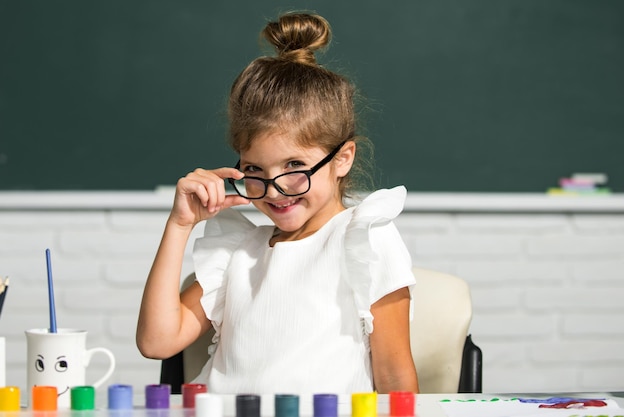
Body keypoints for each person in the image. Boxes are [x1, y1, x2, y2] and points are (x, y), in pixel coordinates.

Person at [136, 11, 419, 395]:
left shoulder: (364, 239)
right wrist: (179, 225)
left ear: (342, 158)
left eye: (295, 166)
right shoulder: (238, 251)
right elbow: (156, 342)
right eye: (254, 168)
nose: (273, 190)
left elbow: (395, 379)